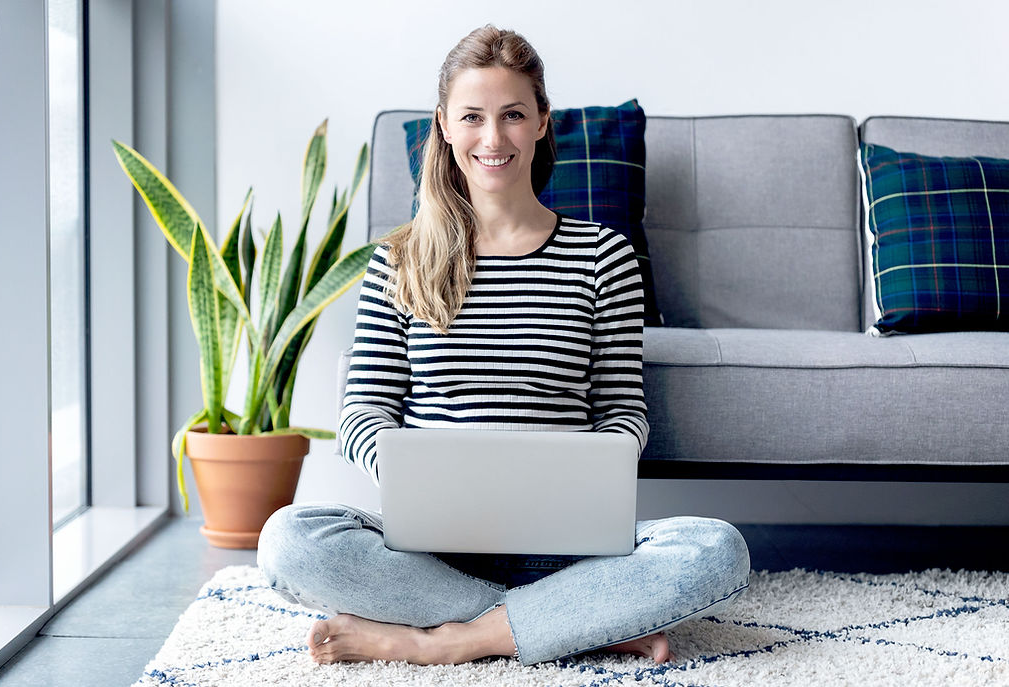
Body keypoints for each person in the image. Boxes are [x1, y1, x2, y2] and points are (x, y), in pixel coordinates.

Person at [257, 24, 750, 668]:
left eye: (513, 115)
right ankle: (576, 620)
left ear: (543, 122)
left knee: (717, 549)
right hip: (429, 547)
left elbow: (623, 412)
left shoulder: (602, 256)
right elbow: (363, 413)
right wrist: (419, 479)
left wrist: (595, 466)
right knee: (289, 539)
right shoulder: (400, 259)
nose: (493, 139)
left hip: (566, 545)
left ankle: (444, 639)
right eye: (473, 117)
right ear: (444, 125)